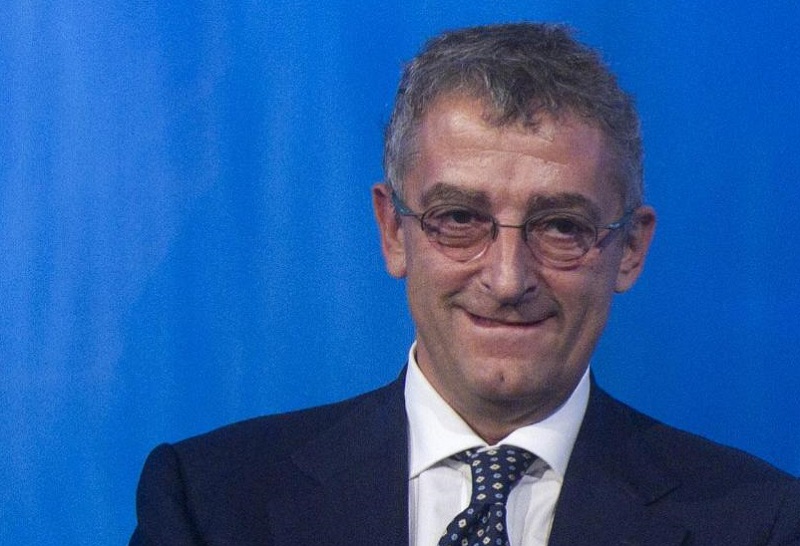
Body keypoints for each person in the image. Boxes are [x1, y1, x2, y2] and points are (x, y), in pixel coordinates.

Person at [129, 22, 800, 546]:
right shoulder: (212, 503)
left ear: (629, 249)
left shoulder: (760, 523)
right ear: (393, 231)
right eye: (458, 219)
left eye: (561, 226)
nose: (507, 279)